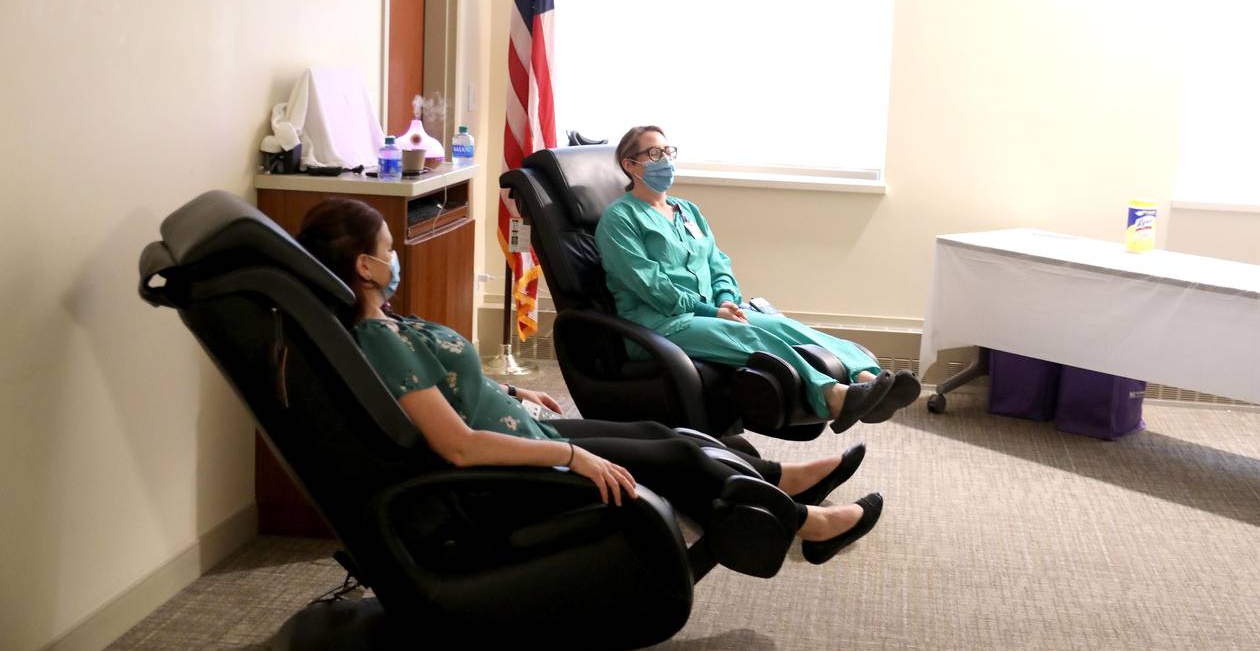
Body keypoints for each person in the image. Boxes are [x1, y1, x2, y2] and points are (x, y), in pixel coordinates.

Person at [296, 197, 883, 572]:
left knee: (664, 432)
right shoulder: (378, 340)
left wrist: (513, 393)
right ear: (366, 268)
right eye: (388, 250)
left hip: (519, 427)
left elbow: (448, 387)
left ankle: (782, 480)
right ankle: (808, 526)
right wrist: (572, 455)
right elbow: (457, 445)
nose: (395, 257)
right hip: (502, 470)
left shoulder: (382, 324)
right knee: (675, 452)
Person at [595, 126, 923, 433]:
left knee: (784, 326)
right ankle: (834, 396)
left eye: (669, 152)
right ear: (630, 164)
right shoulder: (619, 219)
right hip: (660, 324)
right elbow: (650, 285)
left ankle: (866, 377)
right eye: (654, 154)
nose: (665, 161)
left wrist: (725, 298)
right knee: (752, 338)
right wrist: (712, 313)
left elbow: (717, 260)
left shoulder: (687, 210)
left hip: (711, 311)